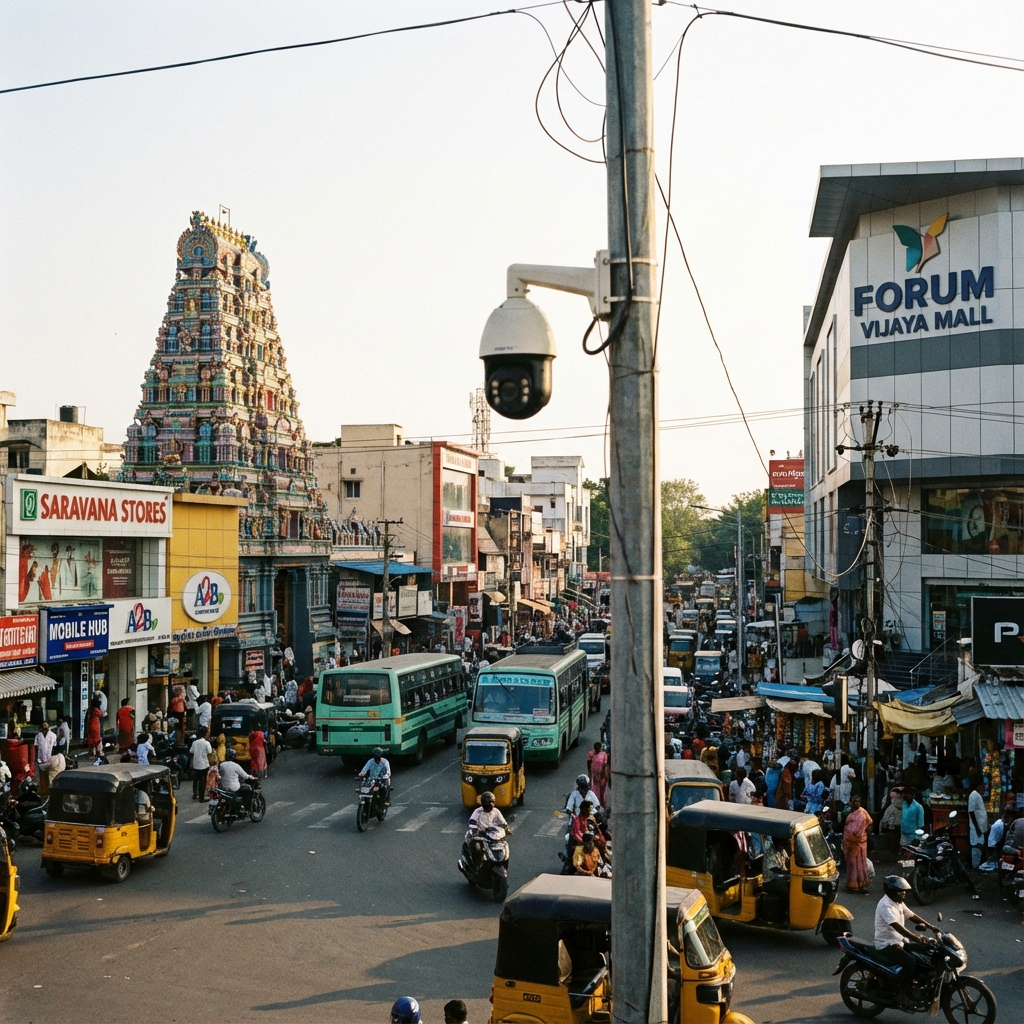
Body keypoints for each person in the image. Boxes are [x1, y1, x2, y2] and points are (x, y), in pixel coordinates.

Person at [873, 875, 941, 994]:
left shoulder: (898, 902)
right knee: (910, 961)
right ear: (892, 891)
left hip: (900, 941)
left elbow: (912, 916)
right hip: (886, 945)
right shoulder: (885, 905)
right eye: (901, 891)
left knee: (925, 952)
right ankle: (902, 992)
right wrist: (916, 938)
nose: (904, 893)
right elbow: (898, 927)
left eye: (904, 891)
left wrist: (931, 927)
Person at [843, 793, 873, 894]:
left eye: (858, 801)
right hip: (850, 843)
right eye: (854, 801)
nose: (856, 803)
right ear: (850, 803)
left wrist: (862, 836)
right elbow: (847, 828)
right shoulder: (849, 814)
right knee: (851, 864)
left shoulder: (863, 812)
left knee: (861, 865)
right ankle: (851, 885)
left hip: (860, 843)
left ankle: (862, 885)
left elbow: (869, 824)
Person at [967, 778, 988, 869]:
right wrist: (977, 828)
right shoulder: (973, 795)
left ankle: (977, 865)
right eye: (982, 786)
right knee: (976, 846)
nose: (984, 788)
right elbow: (971, 812)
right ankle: (975, 866)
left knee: (979, 845)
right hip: (976, 827)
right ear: (979, 786)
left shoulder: (977, 795)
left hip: (979, 826)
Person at [189, 727, 213, 801]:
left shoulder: (195, 742)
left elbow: (191, 751)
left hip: (196, 764)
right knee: (203, 780)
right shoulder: (206, 743)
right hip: (204, 764)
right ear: (205, 734)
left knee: (196, 779)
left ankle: (195, 794)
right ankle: (201, 798)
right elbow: (210, 751)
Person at [34, 721, 57, 794]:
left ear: (48, 726)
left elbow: (55, 746)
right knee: (41, 776)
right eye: (43, 725)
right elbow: (36, 746)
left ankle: (49, 790)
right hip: (40, 758)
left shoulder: (53, 735)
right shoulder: (38, 735)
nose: (45, 726)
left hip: (50, 758)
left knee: (50, 775)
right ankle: (43, 790)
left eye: (46, 725)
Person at [589, 742, 609, 807]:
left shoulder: (603, 755)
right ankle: (596, 805)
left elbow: (605, 766)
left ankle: (602, 805)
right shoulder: (592, 754)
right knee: (595, 791)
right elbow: (588, 763)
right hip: (595, 777)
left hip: (601, 776)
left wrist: (605, 776)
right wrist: (590, 774)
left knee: (601, 792)